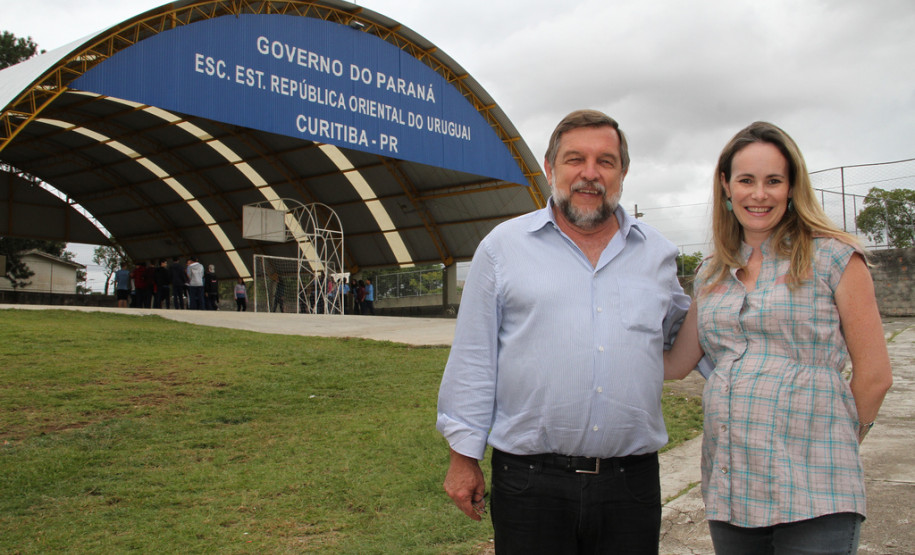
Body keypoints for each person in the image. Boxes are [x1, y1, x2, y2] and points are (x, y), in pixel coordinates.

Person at [436, 109, 690, 554]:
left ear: (623, 173)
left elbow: (683, 341)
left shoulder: (658, 255)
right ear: (551, 168)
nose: (589, 174)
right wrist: (463, 458)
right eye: (575, 160)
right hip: (530, 487)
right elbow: (474, 359)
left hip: (631, 487)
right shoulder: (502, 249)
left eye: (605, 162)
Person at [664, 121, 893, 554]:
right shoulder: (712, 271)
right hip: (733, 491)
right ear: (726, 186)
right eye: (746, 180)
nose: (759, 194)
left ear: (792, 188)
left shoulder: (834, 256)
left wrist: (840, 441)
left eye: (774, 181)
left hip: (815, 488)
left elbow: (876, 375)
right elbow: (677, 363)